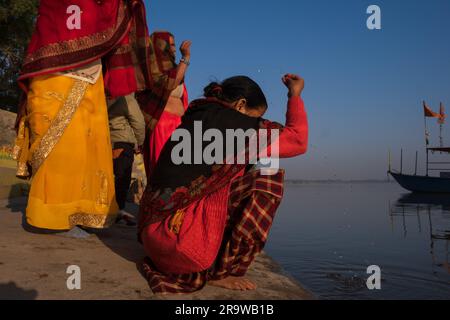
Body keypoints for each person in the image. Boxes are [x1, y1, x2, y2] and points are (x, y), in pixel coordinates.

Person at [137, 73, 309, 293]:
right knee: (267, 178)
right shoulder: (233, 126)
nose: (253, 122)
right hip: (178, 249)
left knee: (246, 166)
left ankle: (207, 255)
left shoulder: (198, 116)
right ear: (240, 105)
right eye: (255, 116)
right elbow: (298, 141)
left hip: (153, 237)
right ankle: (221, 272)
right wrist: (294, 94)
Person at [13, 0, 150, 231]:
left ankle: (85, 211)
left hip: (86, 74)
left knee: (86, 150)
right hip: (53, 73)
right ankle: (49, 213)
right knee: (56, 148)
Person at [137, 31, 191, 178]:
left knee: (180, 170)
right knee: (162, 169)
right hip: (162, 125)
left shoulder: (173, 68)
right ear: (160, 45)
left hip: (179, 124)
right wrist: (185, 58)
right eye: (171, 44)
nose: (174, 49)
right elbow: (170, 83)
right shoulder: (152, 68)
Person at [108, 95, 146, 226]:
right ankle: (117, 210)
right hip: (122, 142)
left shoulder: (103, 94)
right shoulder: (127, 98)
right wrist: (140, 143)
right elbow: (139, 123)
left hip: (104, 139)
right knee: (121, 179)